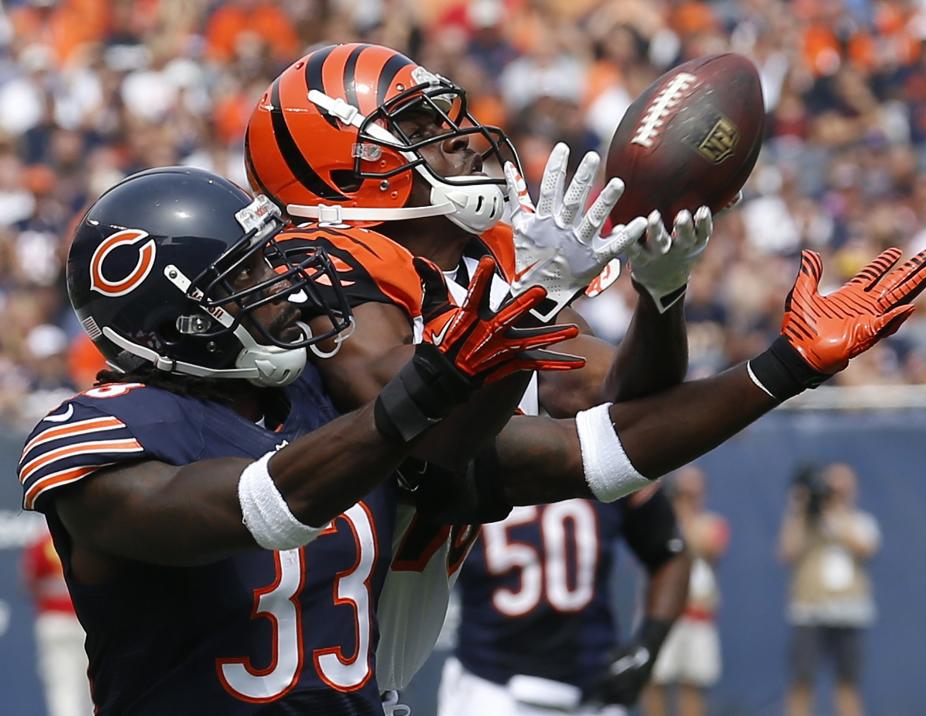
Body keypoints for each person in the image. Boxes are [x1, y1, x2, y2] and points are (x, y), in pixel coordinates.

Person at [243, 42, 926, 694]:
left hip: (356, 667)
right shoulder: (319, 265)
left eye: (448, 115)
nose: (457, 134)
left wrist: (662, 293)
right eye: (419, 123)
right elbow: (415, 425)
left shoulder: (476, 274)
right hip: (276, 669)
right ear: (340, 166)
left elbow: (620, 401)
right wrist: (530, 301)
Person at [17, 166, 577, 715]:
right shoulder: (100, 431)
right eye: (246, 272)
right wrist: (423, 389)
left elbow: (534, 453)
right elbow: (254, 510)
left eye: (271, 256)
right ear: (177, 318)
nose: (285, 284)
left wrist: (543, 304)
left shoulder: (319, 394)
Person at [436, 483, 691, 716]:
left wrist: (647, 646)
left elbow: (669, 552)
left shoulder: (602, 450)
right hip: (491, 685)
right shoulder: (480, 448)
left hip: (593, 689)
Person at [779, 463, 882, 716]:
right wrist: (800, 511)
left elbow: (865, 547)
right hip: (810, 610)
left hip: (850, 612)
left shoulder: (861, 521)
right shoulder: (805, 521)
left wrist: (834, 513)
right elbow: (786, 552)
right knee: (802, 680)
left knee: (848, 682)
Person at [646, 466, 729, 716]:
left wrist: (680, 511)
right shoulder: (659, 521)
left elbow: (708, 544)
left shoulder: (712, 522)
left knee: (693, 684)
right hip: (661, 615)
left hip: (697, 615)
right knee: (656, 681)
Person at [22, 527, 94, 716]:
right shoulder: (84, 538)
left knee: (64, 690)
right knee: (95, 689)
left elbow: (28, 582)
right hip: (87, 623)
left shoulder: (41, 543)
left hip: (55, 622)